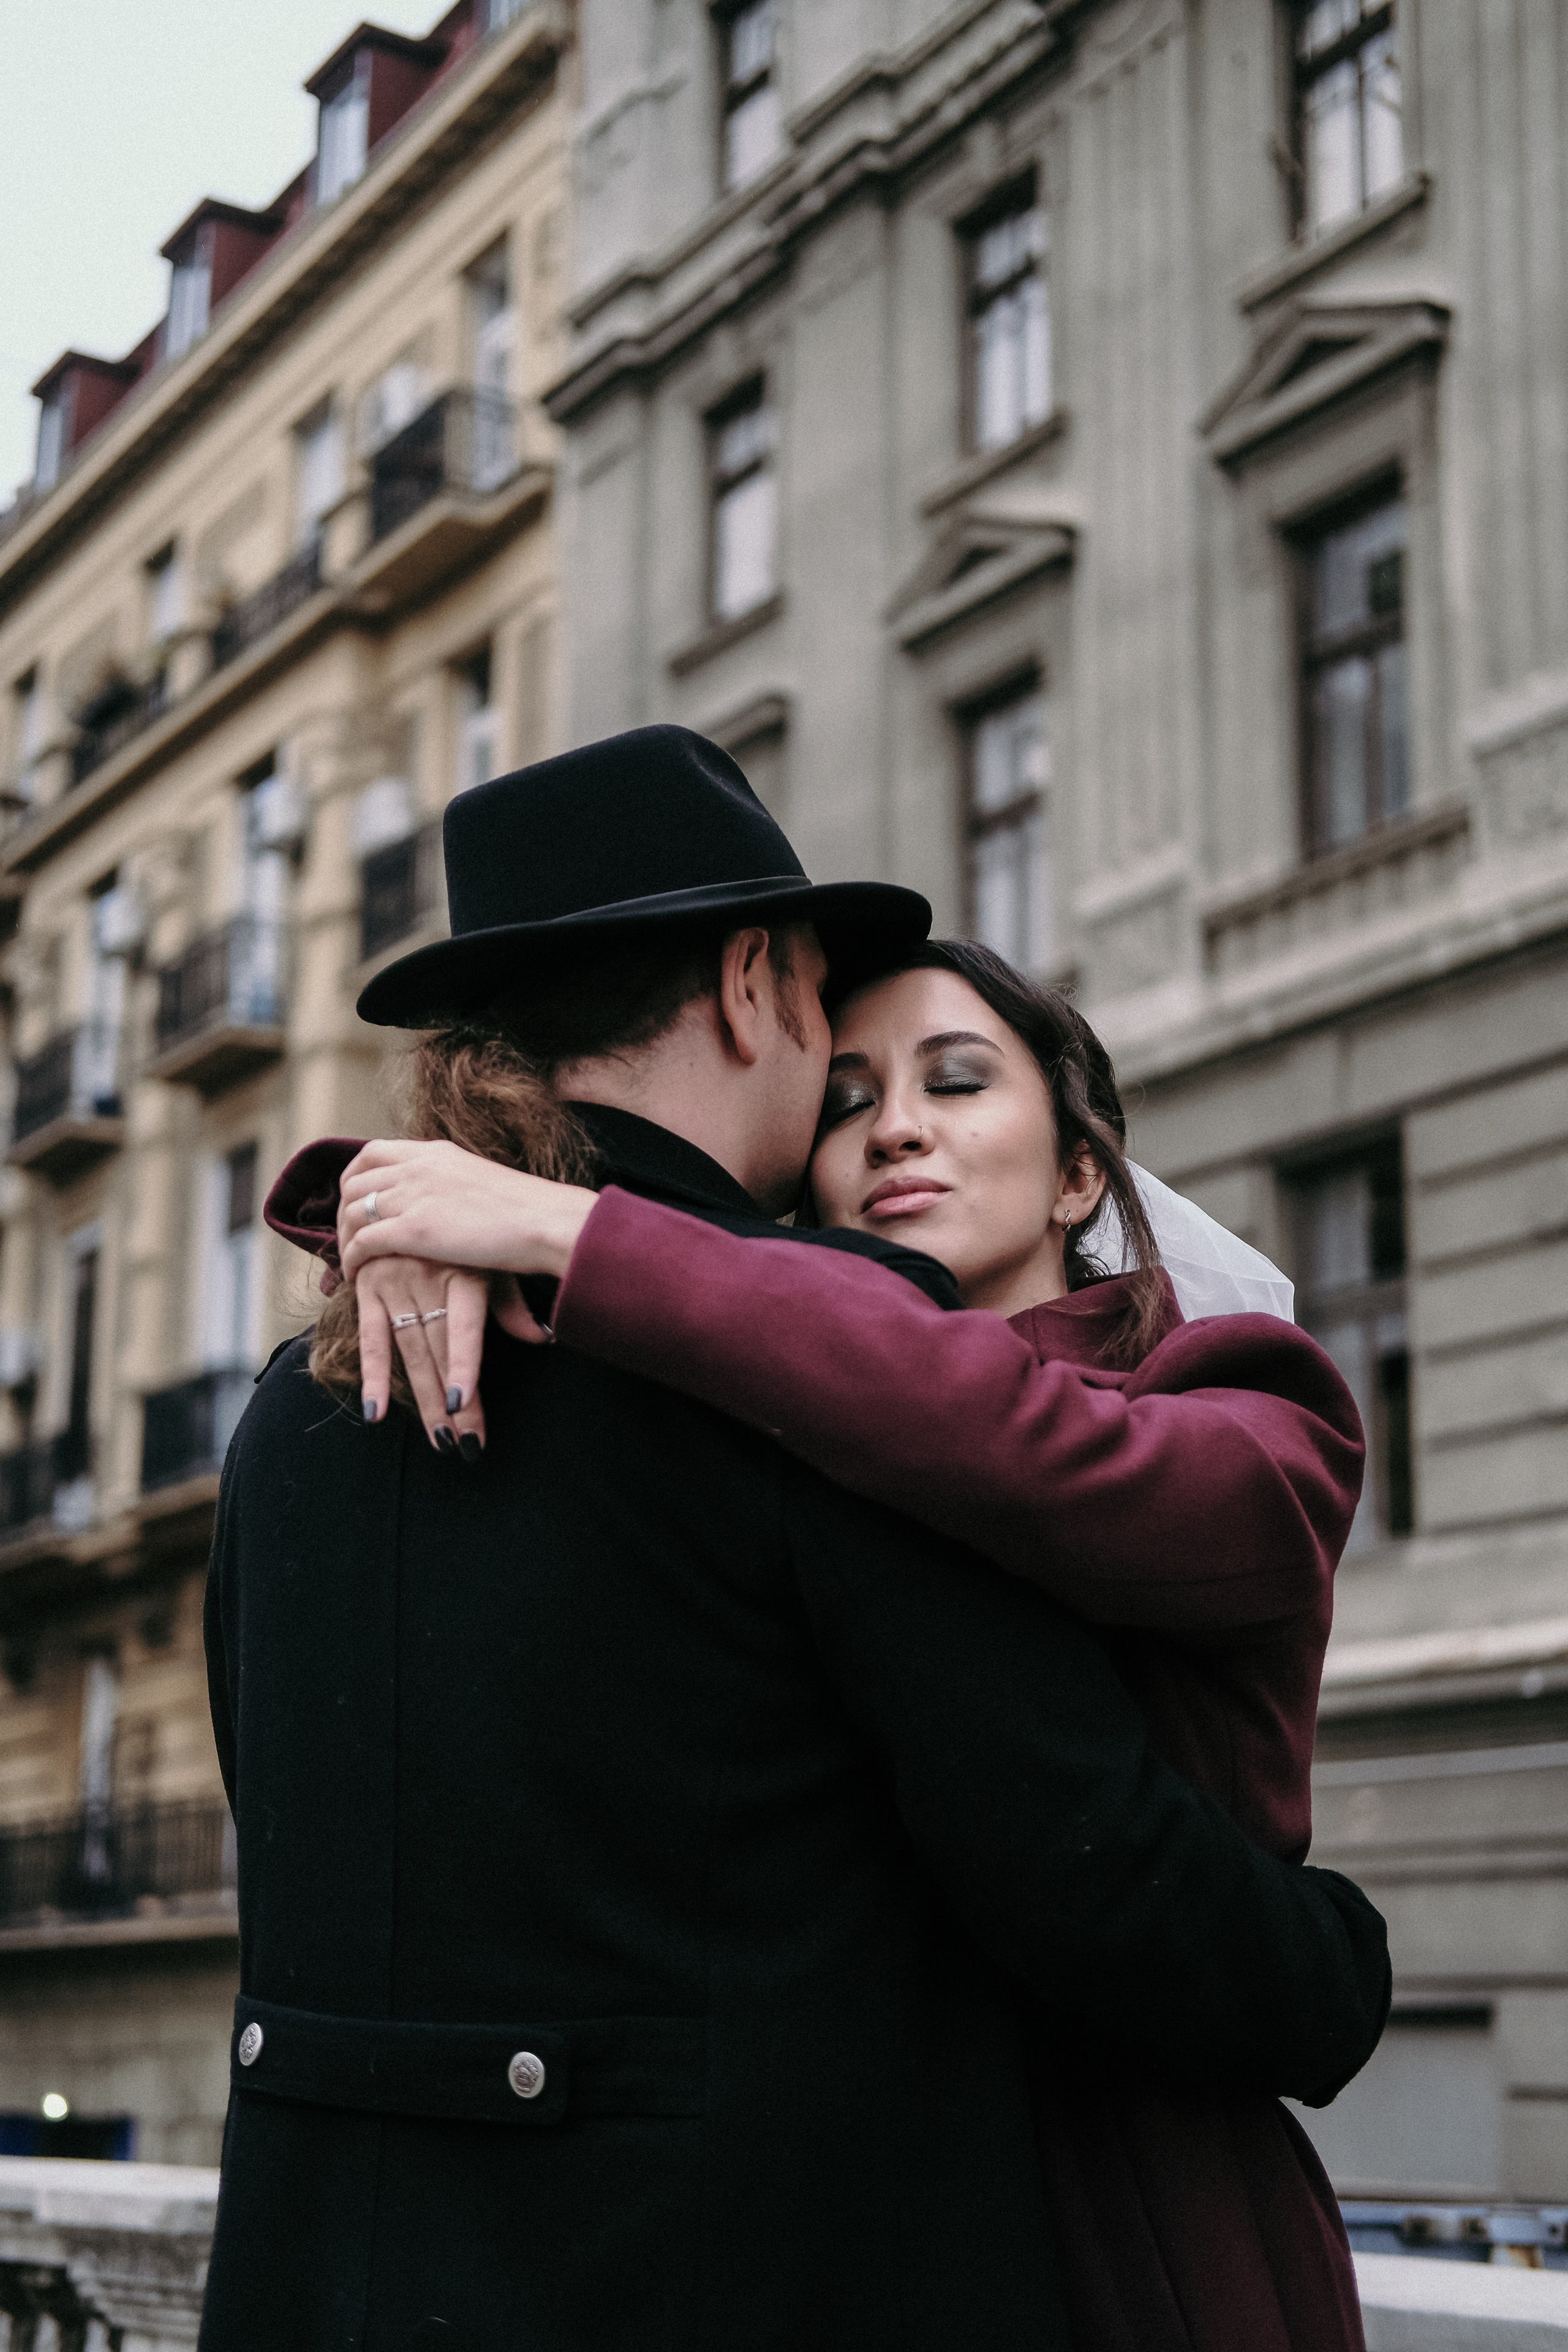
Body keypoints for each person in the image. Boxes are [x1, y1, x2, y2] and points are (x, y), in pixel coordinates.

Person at [206, 726, 1389, 2349]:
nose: (886, 1122)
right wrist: (1335, 1966)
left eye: (955, 1082)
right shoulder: (821, 1388)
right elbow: (1080, 1867)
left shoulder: (291, 1413)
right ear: (755, 983)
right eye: (839, 1050)